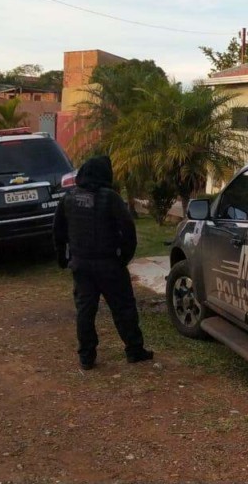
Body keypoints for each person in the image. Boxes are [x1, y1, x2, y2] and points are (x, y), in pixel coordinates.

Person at [53, 155, 153, 370]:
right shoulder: (111, 197)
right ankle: (134, 350)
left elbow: (58, 231)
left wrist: (63, 258)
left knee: (85, 311)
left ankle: (86, 357)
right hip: (109, 265)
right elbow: (128, 230)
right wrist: (123, 258)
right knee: (124, 308)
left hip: (81, 265)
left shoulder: (68, 198)